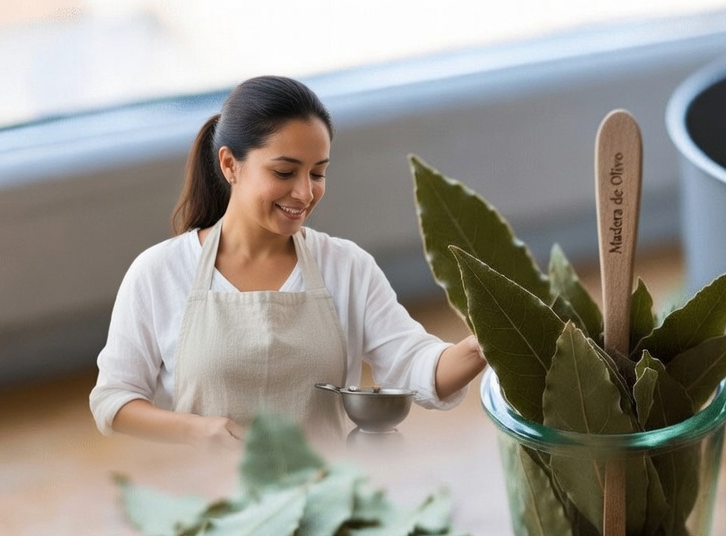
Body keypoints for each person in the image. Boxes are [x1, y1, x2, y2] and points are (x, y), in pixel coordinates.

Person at [89, 75, 485, 450]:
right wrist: (199, 431)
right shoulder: (159, 272)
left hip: (325, 490)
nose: (304, 192)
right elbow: (113, 398)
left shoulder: (346, 267)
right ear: (230, 165)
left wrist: (485, 344)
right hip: (207, 493)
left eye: (318, 173)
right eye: (284, 172)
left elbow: (414, 365)